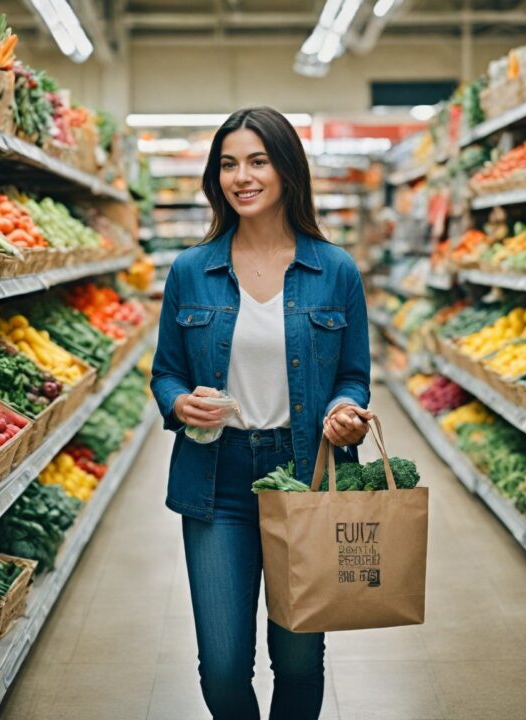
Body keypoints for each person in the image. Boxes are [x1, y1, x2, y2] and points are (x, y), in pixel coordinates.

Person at [150, 106, 372, 720]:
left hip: (304, 476)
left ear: (287, 170)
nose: (240, 177)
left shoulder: (335, 271)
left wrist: (345, 409)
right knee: (222, 669)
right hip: (215, 478)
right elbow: (166, 370)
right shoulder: (191, 271)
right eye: (227, 164)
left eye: (257, 161)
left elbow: (352, 375)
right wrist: (178, 400)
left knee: (299, 660)